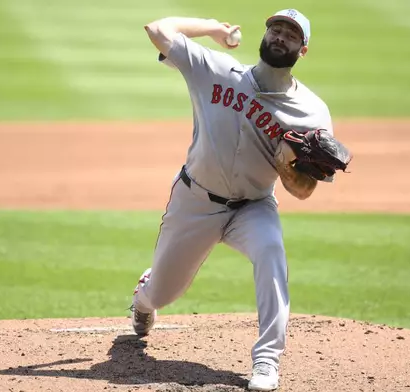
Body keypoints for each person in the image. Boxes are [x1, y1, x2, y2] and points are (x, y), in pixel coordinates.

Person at [130, 9, 334, 391]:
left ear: (302, 50)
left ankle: (267, 362)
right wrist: (214, 29)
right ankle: (144, 298)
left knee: (272, 251)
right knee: (163, 293)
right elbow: (157, 29)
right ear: (265, 33)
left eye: (291, 35)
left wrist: (287, 170)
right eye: (276, 28)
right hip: (195, 201)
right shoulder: (217, 70)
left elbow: (305, 190)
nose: (280, 37)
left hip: (254, 207)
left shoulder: (312, 113)